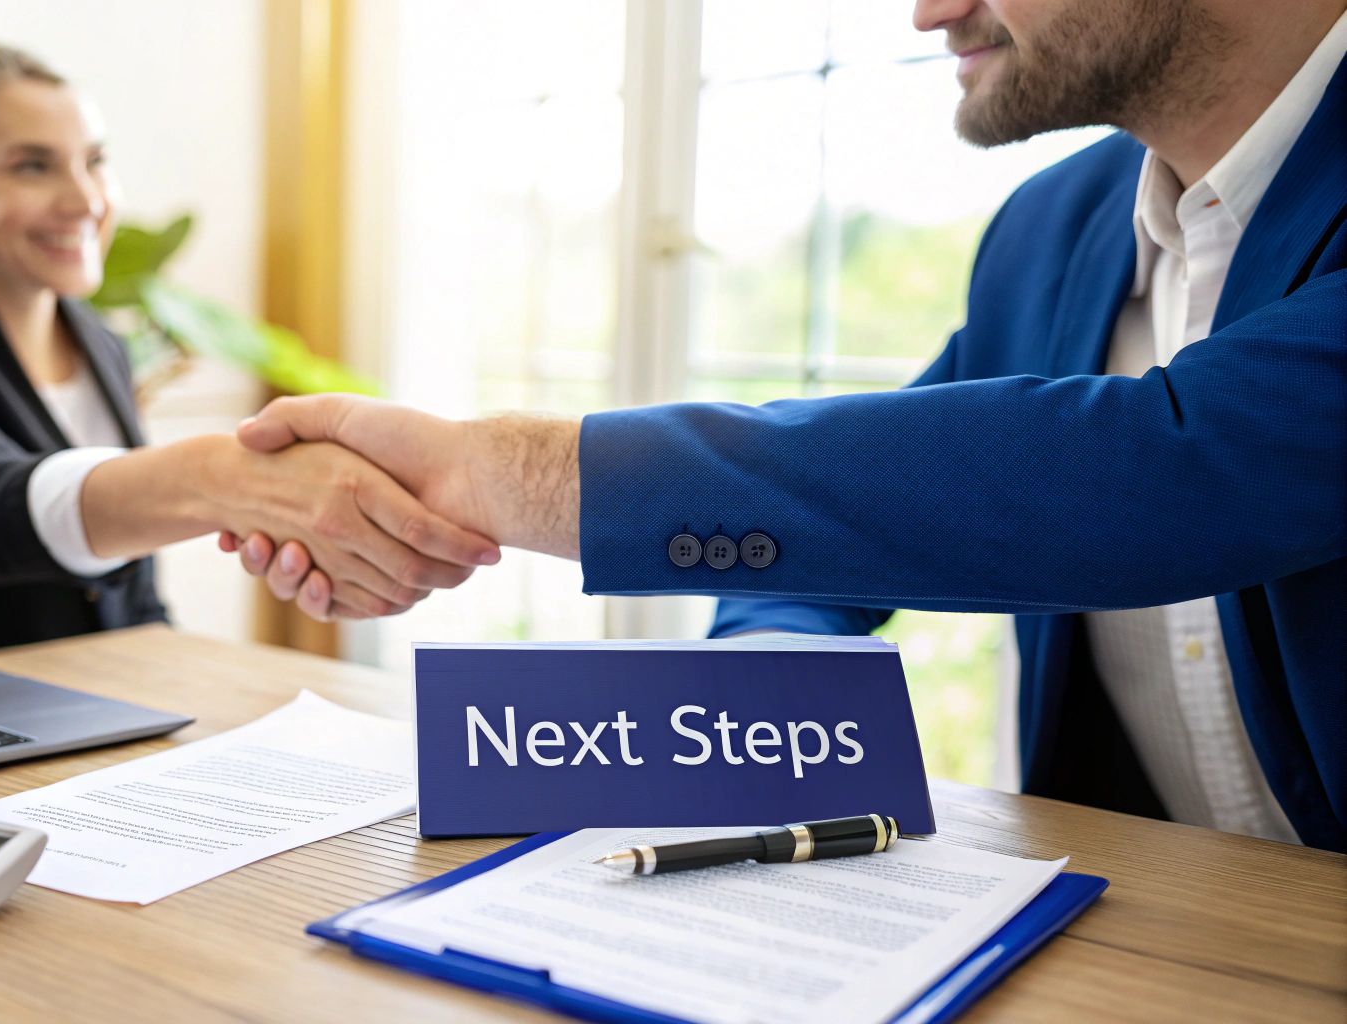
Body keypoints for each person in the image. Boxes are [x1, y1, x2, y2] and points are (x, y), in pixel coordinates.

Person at [221, 0, 1347, 852]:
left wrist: (508, 473)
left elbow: (1173, 461)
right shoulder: (1046, 233)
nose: (924, 10)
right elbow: (875, 491)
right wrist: (769, 677)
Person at [0, 43, 499, 654]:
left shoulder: (100, 345)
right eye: (33, 165)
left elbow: (127, 598)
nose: (86, 200)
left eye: (95, 161)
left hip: (95, 711)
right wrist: (214, 480)